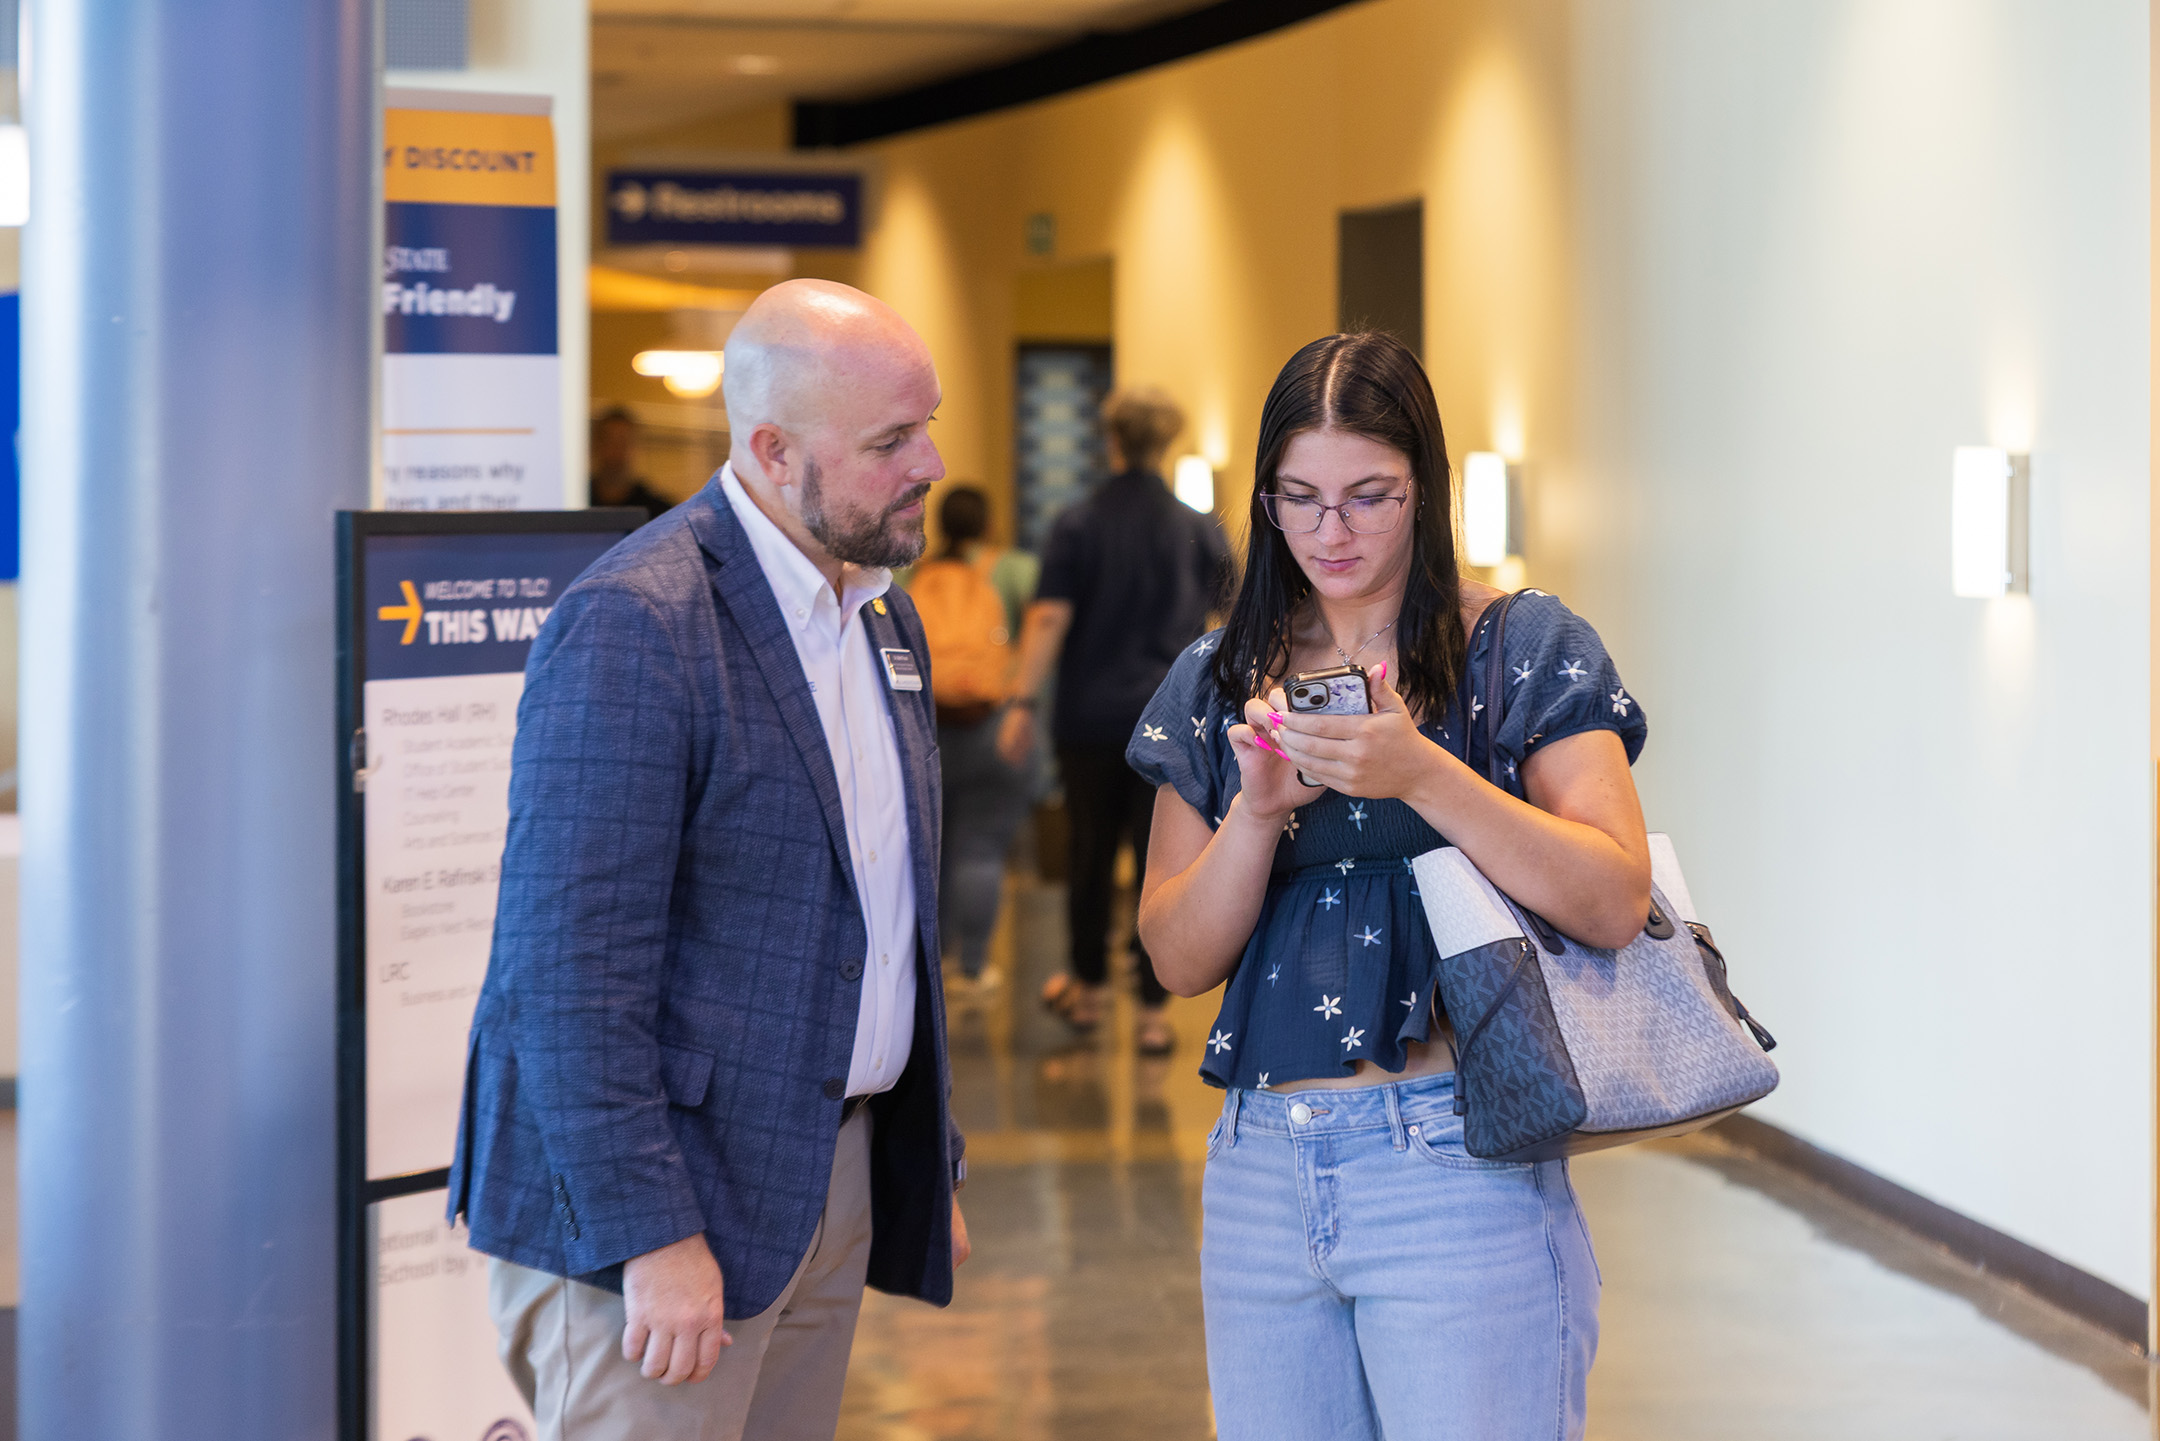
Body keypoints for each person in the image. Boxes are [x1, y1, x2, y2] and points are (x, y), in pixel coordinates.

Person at [450, 279, 970, 1441]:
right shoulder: (637, 620)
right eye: (891, 441)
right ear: (773, 451)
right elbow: (565, 973)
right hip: (660, 1216)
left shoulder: (883, 617)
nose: (930, 464)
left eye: (928, 426)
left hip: (819, 1181)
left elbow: (887, 908)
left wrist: (921, 1160)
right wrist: (651, 1234)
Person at [1129, 332, 1649, 1440]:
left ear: (1426, 488)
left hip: (1457, 1159)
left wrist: (1421, 772)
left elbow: (1613, 895)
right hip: (1260, 1166)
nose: (1333, 532)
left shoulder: (1518, 646)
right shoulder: (1218, 677)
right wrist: (1257, 813)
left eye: (1370, 496)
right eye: (1300, 498)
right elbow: (1175, 955)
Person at [999, 386, 1228, 1055]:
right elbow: (1235, 617)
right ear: (1168, 442)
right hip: (1172, 721)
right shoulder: (1197, 525)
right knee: (1165, 862)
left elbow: (1049, 617)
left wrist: (1021, 700)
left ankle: (1090, 989)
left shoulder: (1078, 523)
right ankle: (1154, 1012)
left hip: (1091, 720)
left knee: (1089, 854)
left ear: (1112, 441)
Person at [905, 485, 1039, 991]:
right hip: (992, 725)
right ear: (987, 523)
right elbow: (1042, 629)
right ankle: (974, 967)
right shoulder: (1013, 570)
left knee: (931, 850)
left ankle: (933, 963)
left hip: (925, 726)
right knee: (980, 849)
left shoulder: (910, 572)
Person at [589, 404, 677, 519]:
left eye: (623, 441)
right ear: (595, 445)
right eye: (609, 441)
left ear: (636, 447)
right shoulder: (577, 501)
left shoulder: (660, 512)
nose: (616, 449)